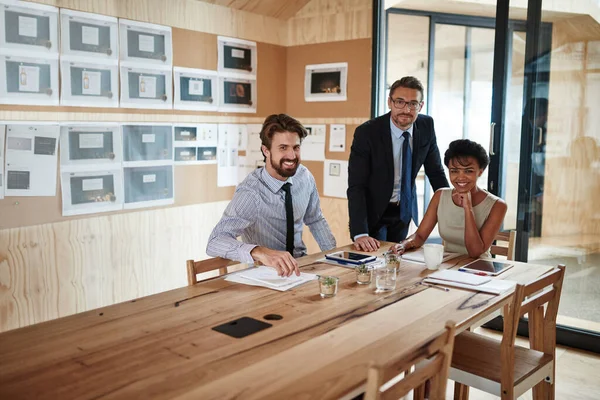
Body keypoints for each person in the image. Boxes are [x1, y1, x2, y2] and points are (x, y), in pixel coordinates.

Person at [206, 114, 336, 277]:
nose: (292, 156)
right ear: (266, 150)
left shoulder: (304, 177)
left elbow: (315, 219)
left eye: (295, 147)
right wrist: (259, 251)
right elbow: (215, 242)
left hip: (301, 267)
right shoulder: (251, 192)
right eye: (283, 148)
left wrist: (334, 258)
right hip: (264, 274)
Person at [347, 76, 449, 252]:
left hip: (403, 211)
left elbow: (436, 173)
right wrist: (360, 232)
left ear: (421, 106)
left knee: (397, 263)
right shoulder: (367, 132)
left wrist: (452, 204)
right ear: (389, 102)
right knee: (374, 263)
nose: (406, 109)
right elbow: (357, 185)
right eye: (400, 102)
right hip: (373, 212)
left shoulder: (426, 126)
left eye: (412, 104)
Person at [392, 139, 507, 258]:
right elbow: (420, 236)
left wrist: (468, 208)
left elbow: (475, 252)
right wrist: (403, 244)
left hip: (479, 270)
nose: (460, 177)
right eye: (454, 171)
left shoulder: (498, 205)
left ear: (480, 172)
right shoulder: (440, 195)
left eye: (468, 171)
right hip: (445, 266)